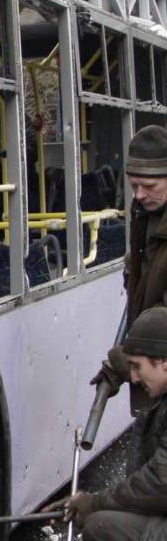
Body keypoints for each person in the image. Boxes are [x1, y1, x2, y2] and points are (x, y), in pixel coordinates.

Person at [53, 307, 167, 541]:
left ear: (163, 362)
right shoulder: (160, 398)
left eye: (137, 367)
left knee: (103, 528)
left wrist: (96, 503)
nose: (132, 378)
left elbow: (159, 482)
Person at [93, 125, 167, 406]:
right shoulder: (146, 215)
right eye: (134, 185)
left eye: (150, 186)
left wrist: (124, 361)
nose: (139, 194)